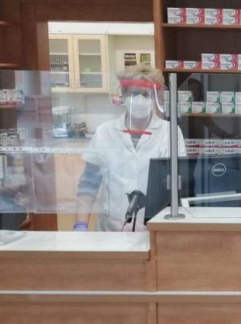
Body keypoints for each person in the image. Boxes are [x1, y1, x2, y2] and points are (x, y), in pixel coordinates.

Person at [73, 64, 186, 232]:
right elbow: (88, 185)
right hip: (111, 230)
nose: (139, 100)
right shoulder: (105, 132)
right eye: (134, 94)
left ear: (156, 98)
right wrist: (80, 225)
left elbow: (180, 183)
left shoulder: (170, 132)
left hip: (154, 229)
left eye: (146, 94)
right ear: (124, 96)